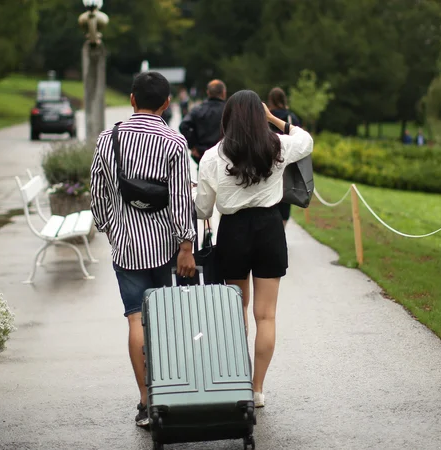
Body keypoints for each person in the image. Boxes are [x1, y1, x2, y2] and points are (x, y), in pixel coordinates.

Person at [90, 71, 197, 428]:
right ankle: (170, 393)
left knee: (136, 317)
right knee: (164, 318)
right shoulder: (174, 142)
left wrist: (111, 229)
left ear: (132, 99)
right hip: (165, 245)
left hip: (126, 246)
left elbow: (97, 195)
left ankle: (146, 402)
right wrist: (186, 245)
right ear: (167, 103)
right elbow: (182, 199)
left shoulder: (109, 138)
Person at [194, 90, 314, 408]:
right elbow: (307, 141)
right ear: (260, 116)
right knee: (266, 316)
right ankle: (257, 388)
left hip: (233, 232)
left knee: (237, 314)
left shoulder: (213, 156)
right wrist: (275, 119)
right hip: (270, 229)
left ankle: (237, 381)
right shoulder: (278, 147)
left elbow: (203, 210)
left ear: (227, 117)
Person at [267, 87, 302, 227]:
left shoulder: (267, 116)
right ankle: (282, 229)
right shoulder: (291, 117)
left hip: (269, 161)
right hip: (287, 162)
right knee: (285, 198)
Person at [179, 79, 227, 165]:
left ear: (208, 92)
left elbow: (183, 126)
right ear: (224, 93)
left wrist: (192, 146)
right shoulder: (229, 110)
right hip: (224, 153)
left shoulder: (197, 109)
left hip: (202, 152)